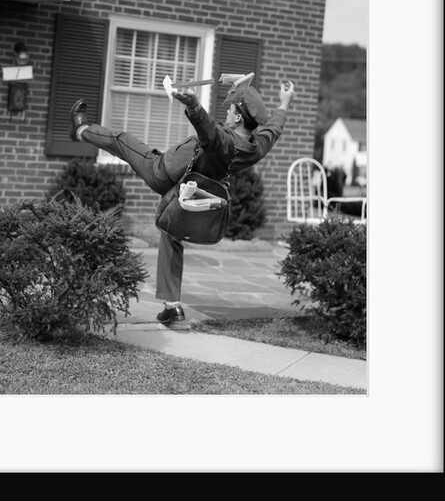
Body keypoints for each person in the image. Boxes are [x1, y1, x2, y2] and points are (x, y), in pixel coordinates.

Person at [68, 77, 295, 326]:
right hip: (187, 193)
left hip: (162, 173)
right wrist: (284, 104)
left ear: (239, 118)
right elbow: (273, 129)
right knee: (171, 234)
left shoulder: (223, 140)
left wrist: (194, 105)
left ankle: (80, 129)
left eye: (230, 110)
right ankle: (172, 307)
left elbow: (207, 129)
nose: (227, 114)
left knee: (122, 140)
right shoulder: (255, 147)